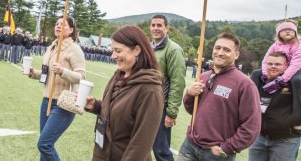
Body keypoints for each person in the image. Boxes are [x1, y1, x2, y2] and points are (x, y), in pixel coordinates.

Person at [177, 33, 261, 161]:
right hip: (190, 146)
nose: (220, 52)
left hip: (216, 154)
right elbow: (191, 110)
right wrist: (189, 94)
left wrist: (227, 148)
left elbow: (251, 126)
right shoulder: (204, 76)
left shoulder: (245, 84)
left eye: (227, 50)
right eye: (217, 48)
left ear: (236, 54)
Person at [84, 25, 164, 161]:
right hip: (102, 154)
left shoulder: (150, 90)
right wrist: (96, 106)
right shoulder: (119, 75)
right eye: (113, 50)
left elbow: (141, 144)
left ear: (137, 50)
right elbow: (119, 112)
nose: (113, 56)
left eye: (118, 51)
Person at [28, 16, 86, 161]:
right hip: (46, 101)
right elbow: (47, 73)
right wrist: (33, 73)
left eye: (63, 24)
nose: (58, 26)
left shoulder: (74, 49)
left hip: (63, 104)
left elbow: (81, 76)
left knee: (44, 144)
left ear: (71, 30)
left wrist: (63, 71)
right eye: (57, 24)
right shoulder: (51, 48)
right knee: (45, 146)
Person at [249, 52, 301, 161]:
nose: (273, 66)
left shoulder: (295, 82)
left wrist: (287, 121)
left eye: (277, 64)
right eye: (270, 63)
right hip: (259, 138)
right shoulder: (260, 80)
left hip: (285, 141)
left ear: (286, 66)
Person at [150, 14, 186, 161]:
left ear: (166, 28)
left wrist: (171, 113)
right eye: (153, 25)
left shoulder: (174, 50)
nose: (156, 28)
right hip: (147, 104)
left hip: (161, 107)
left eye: (159, 25)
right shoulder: (148, 47)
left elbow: (178, 82)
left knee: (161, 150)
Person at [261, 20, 301, 94]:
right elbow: (266, 60)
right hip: (280, 70)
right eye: (284, 30)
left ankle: (299, 104)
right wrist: (266, 74)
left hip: (297, 71)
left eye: (290, 30)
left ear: (295, 33)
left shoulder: (299, 48)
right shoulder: (274, 46)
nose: (287, 32)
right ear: (278, 34)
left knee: (297, 80)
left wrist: (281, 80)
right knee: (256, 73)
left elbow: (295, 66)